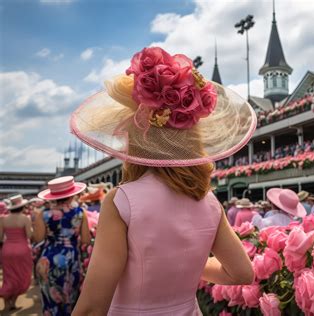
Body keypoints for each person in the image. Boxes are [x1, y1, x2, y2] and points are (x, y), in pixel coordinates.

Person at [71, 47, 256, 315]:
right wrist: (186, 263)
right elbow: (241, 273)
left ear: (139, 140)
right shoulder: (208, 201)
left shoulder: (122, 200)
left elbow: (91, 308)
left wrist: (162, 262)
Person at [32, 176, 91, 315]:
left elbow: (38, 239)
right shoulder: (80, 213)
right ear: (73, 195)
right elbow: (86, 241)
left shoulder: (44, 214)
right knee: (69, 301)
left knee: (50, 302)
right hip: (71, 260)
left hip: (47, 260)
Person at [0, 195, 33, 311]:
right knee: (22, 276)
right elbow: (29, 235)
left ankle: (7, 303)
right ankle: (13, 301)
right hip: (22, 249)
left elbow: (0, 237)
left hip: (7, 249)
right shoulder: (25, 218)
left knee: (8, 277)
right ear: (22, 206)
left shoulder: (3, 219)